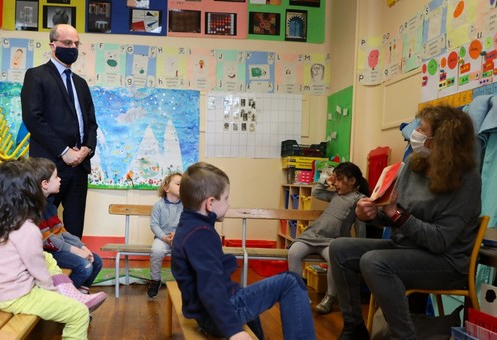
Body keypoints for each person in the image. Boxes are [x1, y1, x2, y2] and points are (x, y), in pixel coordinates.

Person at [329, 105, 482, 340]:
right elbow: (391, 211)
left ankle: (404, 337)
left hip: (446, 262)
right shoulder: (414, 164)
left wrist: (395, 214)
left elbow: (439, 240)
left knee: (374, 261)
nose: (416, 133)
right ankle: (354, 329)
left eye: (422, 129)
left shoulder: (466, 180)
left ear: (440, 141)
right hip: (406, 248)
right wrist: (367, 212)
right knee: (339, 248)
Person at [171, 162, 316, 340]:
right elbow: (211, 286)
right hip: (216, 315)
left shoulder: (190, 225)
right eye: (226, 199)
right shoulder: (200, 235)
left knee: (245, 294)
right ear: (210, 203)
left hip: (211, 311)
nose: (228, 203)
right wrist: (233, 330)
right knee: (291, 281)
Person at [0, 160, 106, 339]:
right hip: (17, 295)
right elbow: (37, 269)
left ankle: (72, 293)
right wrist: (52, 292)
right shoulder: (26, 228)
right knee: (79, 313)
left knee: (47, 257)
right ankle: (71, 296)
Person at [21, 23, 98, 239]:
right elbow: (33, 119)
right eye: (67, 43)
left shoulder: (81, 84)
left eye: (76, 43)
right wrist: (65, 151)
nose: (72, 47)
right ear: (52, 45)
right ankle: (46, 273)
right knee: (43, 229)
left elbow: (91, 123)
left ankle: (74, 272)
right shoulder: (36, 76)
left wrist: (86, 149)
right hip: (48, 167)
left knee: (75, 231)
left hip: (79, 167)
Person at [287, 162, 370, 315]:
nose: (336, 183)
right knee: (293, 253)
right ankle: (300, 294)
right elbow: (316, 193)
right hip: (312, 236)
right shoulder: (335, 195)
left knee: (334, 259)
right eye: (335, 179)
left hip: (332, 241)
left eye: (339, 179)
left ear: (352, 181)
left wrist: (360, 247)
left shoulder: (359, 200)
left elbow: (361, 227)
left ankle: (330, 297)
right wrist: (326, 180)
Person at [27, 157, 103, 293]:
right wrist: (75, 251)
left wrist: (81, 246)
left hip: (56, 248)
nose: (60, 180)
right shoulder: (32, 209)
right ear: (44, 184)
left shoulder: (49, 204)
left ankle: (81, 295)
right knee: (84, 266)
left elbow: (60, 231)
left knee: (96, 261)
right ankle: (67, 297)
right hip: (47, 252)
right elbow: (47, 240)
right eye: (56, 177)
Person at [147, 172, 183, 298]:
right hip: (162, 238)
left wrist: (178, 234)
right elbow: (154, 225)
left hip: (180, 238)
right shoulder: (159, 206)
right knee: (156, 251)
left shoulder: (186, 206)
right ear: (166, 188)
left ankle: (184, 281)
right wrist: (163, 237)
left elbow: (187, 223)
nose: (182, 186)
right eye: (178, 184)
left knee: (186, 253)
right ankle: (155, 280)